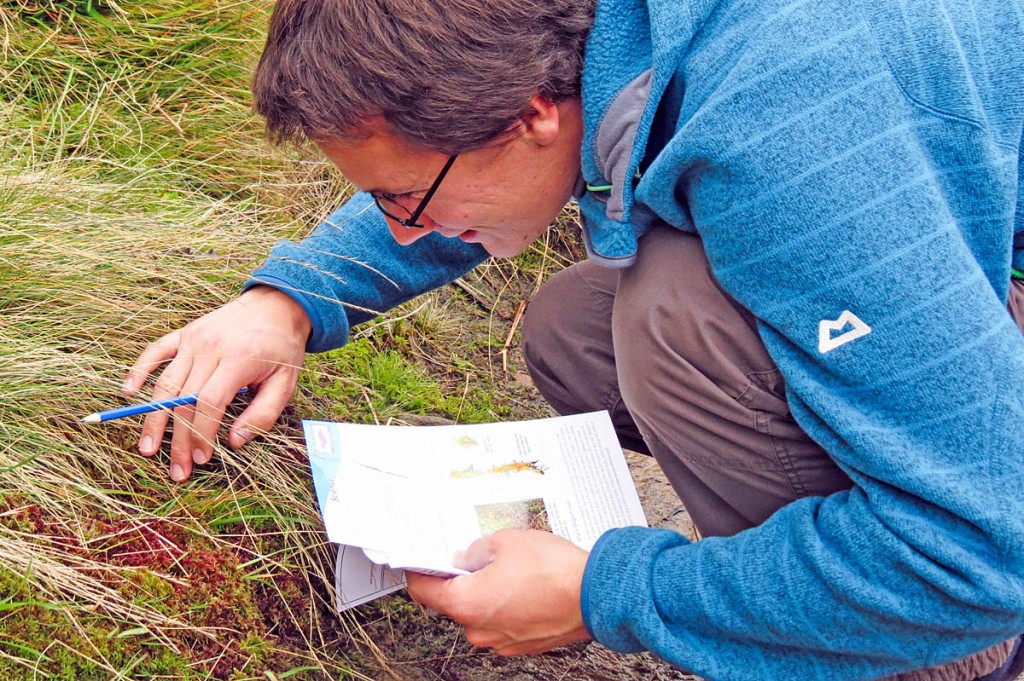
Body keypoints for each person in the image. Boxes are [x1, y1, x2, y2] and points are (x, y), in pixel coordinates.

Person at [124, 0, 1024, 678]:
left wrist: (608, 593)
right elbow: (466, 170)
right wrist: (291, 299)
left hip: (985, 521)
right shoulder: (590, 41)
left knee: (673, 314)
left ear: (531, 117)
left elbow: (985, 550)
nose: (403, 230)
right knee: (576, 332)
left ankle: (947, 654)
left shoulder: (789, 124)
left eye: (402, 198)